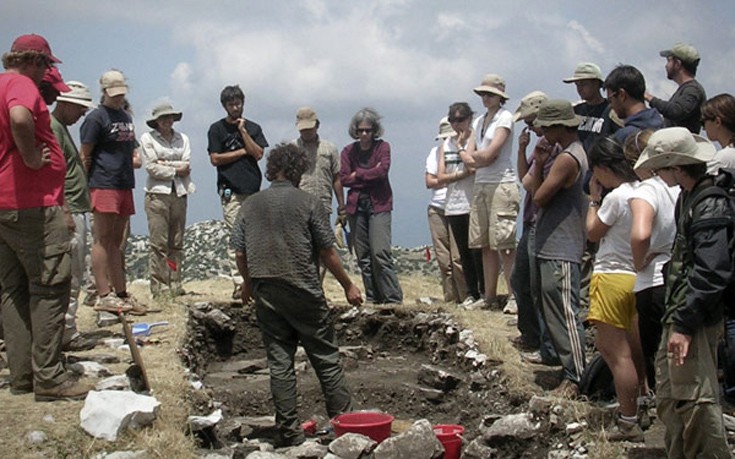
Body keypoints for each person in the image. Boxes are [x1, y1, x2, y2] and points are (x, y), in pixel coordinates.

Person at [231, 142, 362, 447]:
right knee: (326, 357)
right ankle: (345, 426)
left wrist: (248, 284)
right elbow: (328, 251)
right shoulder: (309, 203)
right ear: (297, 171)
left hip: (265, 290)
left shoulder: (250, 204)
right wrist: (347, 285)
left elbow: (240, 252)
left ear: (271, 169)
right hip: (303, 289)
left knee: (279, 362)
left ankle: (290, 432)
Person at [0, 33, 90, 400]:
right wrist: (33, 158)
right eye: (48, 65)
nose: (48, 73)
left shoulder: (3, 83)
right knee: (50, 286)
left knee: (12, 290)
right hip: (31, 205)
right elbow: (21, 118)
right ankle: (50, 378)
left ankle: (22, 377)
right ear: (35, 61)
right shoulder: (21, 85)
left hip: (6, 205)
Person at [634, 127, 732, 458]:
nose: (658, 174)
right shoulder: (689, 199)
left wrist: (686, 325)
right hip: (678, 313)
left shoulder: (709, 205)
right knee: (671, 398)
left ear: (676, 167)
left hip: (692, 319)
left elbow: (711, 271)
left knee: (696, 402)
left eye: (661, 167)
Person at [585, 137, 646, 442]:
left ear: (603, 168)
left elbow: (594, 232)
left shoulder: (616, 197)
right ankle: (643, 405)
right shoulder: (645, 191)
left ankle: (628, 420)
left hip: (611, 276)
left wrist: (594, 201)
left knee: (615, 352)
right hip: (639, 277)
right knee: (637, 351)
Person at [528, 99, 588, 398]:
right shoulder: (567, 154)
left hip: (561, 246)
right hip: (553, 244)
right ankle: (569, 370)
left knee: (564, 312)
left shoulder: (567, 159)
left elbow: (538, 196)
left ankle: (577, 375)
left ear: (559, 127)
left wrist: (539, 162)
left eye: (547, 127)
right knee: (553, 310)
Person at [624, 129, 679, 427]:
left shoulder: (647, 191)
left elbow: (641, 233)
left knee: (654, 352)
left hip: (651, 278)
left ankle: (661, 415)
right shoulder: (679, 187)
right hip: (677, 275)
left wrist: (638, 260)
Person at [80, 70, 145, 315]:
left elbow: (131, 150)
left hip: (124, 183)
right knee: (102, 239)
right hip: (103, 182)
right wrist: (85, 186)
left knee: (117, 242)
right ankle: (103, 293)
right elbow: (85, 154)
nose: (118, 98)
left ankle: (121, 292)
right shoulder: (96, 118)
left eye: (121, 94)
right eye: (114, 94)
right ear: (104, 91)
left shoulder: (126, 116)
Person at [461, 74, 518, 312]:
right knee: (485, 244)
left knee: (504, 243)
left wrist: (471, 157)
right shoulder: (479, 121)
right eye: (483, 94)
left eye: (490, 94)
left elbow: (487, 154)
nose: (485, 98)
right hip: (483, 184)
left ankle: (514, 297)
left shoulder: (505, 117)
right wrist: (474, 158)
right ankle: (490, 296)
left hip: (501, 183)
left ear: (499, 97)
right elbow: (472, 158)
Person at [49, 80, 98, 352]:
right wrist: (65, 210)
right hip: (69, 210)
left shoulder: (62, 129)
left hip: (77, 207)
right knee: (71, 274)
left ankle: (66, 328)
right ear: (66, 104)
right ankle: (66, 331)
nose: (82, 115)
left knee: (76, 271)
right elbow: (53, 174)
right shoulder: (54, 129)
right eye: (80, 108)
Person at [511, 91, 559, 365]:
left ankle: (545, 343)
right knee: (522, 279)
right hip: (531, 219)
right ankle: (531, 334)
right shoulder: (540, 144)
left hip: (541, 220)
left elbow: (531, 184)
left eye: (531, 121)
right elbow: (524, 177)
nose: (529, 127)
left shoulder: (552, 149)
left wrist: (534, 167)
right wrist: (521, 150)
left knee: (536, 284)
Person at [207, 85, 268, 300]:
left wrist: (243, 132)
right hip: (230, 191)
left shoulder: (253, 127)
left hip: (253, 190)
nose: (235, 107)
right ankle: (240, 283)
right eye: (231, 104)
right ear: (225, 106)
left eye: (238, 103)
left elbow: (258, 153)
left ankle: (257, 281)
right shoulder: (217, 129)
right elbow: (215, 158)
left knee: (255, 237)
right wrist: (243, 152)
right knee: (235, 237)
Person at [339, 107, 403, 304]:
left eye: (368, 130)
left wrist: (357, 174)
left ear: (375, 130)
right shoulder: (348, 151)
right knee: (363, 256)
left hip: (379, 204)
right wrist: (368, 174)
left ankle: (392, 298)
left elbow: (382, 172)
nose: (365, 134)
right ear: (355, 131)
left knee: (380, 252)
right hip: (356, 207)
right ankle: (373, 297)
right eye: (361, 130)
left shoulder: (383, 147)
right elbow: (343, 179)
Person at [140, 101, 194, 298]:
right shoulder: (147, 138)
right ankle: (160, 285)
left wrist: (165, 164)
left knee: (177, 242)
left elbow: (186, 164)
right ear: (156, 121)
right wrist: (175, 168)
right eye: (163, 118)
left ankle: (175, 280)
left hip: (179, 193)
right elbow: (151, 167)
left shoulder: (183, 138)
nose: (167, 121)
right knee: (159, 243)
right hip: (157, 195)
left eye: (169, 117)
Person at [437, 103, 483, 306]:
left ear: (469, 119)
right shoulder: (446, 143)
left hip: (472, 200)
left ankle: (483, 290)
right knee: (463, 252)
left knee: (477, 250)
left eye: (461, 119)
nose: (457, 124)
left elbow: (473, 164)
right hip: (453, 203)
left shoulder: (475, 138)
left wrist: (463, 148)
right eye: (453, 120)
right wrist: (461, 173)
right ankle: (471, 292)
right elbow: (440, 176)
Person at [425, 116, 467, 303]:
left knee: (458, 258)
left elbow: (436, 180)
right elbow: (429, 182)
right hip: (438, 207)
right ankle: (451, 298)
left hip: (459, 206)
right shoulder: (435, 153)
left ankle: (466, 296)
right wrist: (455, 177)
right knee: (444, 259)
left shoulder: (464, 151)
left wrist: (442, 178)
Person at [645, 43, 706, 134]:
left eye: (669, 61)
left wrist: (648, 97)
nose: (666, 66)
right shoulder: (687, 89)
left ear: (677, 64)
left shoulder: (693, 90)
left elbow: (676, 111)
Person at [562, 62, 619, 153]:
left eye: (584, 84)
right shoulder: (575, 111)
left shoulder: (612, 110)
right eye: (577, 85)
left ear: (597, 84)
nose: (580, 89)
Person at [603, 65, 664, 143]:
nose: (611, 106)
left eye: (610, 100)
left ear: (622, 95)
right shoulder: (665, 128)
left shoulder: (623, 138)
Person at [701, 93, 735, 174]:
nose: (704, 129)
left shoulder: (724, 158)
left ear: (717, 122)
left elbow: (700, 185)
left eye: (703, 122)